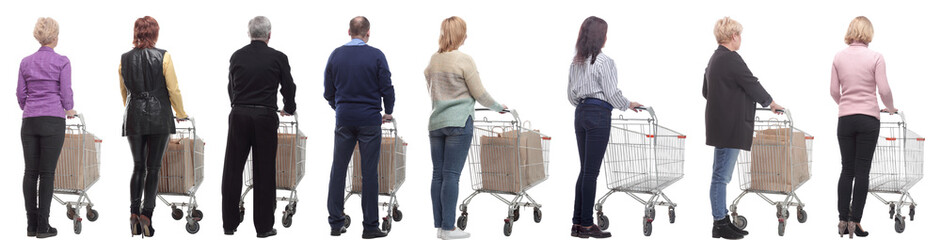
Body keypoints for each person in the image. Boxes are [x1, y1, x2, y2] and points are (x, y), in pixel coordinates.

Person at [424, 16, 507, 240]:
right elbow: (479, 94)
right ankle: (449, 228)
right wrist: (498, 107)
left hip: (436, 123)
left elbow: (431, 87)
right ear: (460, 35)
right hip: (459, 123)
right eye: (465, 32)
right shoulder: (464, 60)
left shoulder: (433, 60)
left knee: (437, 175)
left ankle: (441, 226)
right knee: (451, 175)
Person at [702, 17, 784, 239]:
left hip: (720, 125)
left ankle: (721, 220)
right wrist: (771, 102)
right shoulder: (730, 58)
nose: (741, 39)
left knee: (719, 174)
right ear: (733, 36)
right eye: (739, 34)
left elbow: (706, 91)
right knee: (721, 176)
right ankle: (719, 222)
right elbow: (750, 82)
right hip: (730, 126)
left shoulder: (714, 59)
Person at [220, 16, 296, 238]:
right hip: (265, 117)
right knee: (264, 171)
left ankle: (229, 223)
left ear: (249, 33)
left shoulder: (237, 56)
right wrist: (289, 108)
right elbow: (289, 87)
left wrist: (238, 104)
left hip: (239, 115)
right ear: (269, 35)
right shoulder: (278, 58)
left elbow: (231, 86)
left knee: (233, 170)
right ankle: (263, 228)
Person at [567, 16, 641, 239]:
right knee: (591, 172)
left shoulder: (576, 61)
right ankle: (587, 225)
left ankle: (577, 224)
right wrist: (627, 104)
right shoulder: (604, 61)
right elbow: (611, 93)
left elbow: (570, 95)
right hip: (598, 113)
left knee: (584, 171)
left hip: (580, 113)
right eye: (605, 33)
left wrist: (585, 103)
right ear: (601, 36)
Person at [324, 16, 394, 239]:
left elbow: (328, 90)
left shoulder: (336, 55)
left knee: (338, 170)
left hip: (344, 119)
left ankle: (336, 223)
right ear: (368, 32)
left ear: (349, 32)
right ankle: (370, 227)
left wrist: (339, 106)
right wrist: (389, 110)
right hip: (370, 121)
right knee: (369, 173)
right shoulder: (376, 55)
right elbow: (387, 87)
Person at [119, 16, 188, 238]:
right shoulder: (163, 56)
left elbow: (124, 92)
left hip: (134, 116)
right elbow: (173, 89)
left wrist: (133, 112)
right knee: (154, 168)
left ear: (137, 33)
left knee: (138, 166)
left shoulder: (123, 59)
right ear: (154, 34)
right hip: (159, 117)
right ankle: (147, 215)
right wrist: (180, 113)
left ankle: (133, 213)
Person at [830, 16, 895, 239]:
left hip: (845, 119)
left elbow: (833, 91)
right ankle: (855, 221)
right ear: (869, 33)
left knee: (846, 170)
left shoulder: (838, 57)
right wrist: (891, 108)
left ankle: (841, 219)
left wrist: (847, 105)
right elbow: (884, 90)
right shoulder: (876, 57)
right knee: (862, 171)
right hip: (869, 119)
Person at [18, 17, 77, 239]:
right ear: (55, 37)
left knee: (30, 172)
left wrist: (31, 107)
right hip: (53, 120)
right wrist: (68, 109)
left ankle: (31, 225)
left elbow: (20, 94)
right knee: (47, 173)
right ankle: (44, 226)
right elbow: (66, 92)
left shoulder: (25, 62)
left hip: (30, 121)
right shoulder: (62, 61)